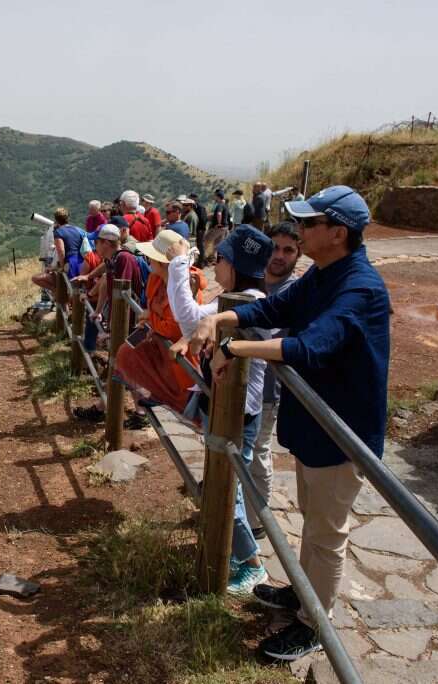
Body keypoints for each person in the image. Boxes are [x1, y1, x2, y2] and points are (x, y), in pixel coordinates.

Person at [172, 185, 389, 662]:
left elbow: (311, 345)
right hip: (319, 427)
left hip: (343, 433)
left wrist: (235, 347)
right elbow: (273, 309)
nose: (301, 230)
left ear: (337, 233)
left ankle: (314, 626)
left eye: (310, 224)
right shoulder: (326, 274)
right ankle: (303, 595)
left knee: (326, 535)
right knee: (312, 522)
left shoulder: (359, 287)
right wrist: (223, 318)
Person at [167, 225, 275, 594]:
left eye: (221, 259)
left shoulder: (247, 303)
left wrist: (179, 263)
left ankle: (251, 564)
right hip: (230, 406)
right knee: (222, 481)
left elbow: (188, 317)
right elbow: (197, 322)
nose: (215, 267)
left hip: (238, 411)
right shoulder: (236, 298)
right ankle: (228, 550)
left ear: (236, 265)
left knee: (230, 489)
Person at [113, 229, 206, 428]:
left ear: (164, 263)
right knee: (127, 353)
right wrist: (154, 314)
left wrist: (151, 315)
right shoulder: (156, 279)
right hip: (161, 343)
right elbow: (161, 317)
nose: (147, 259)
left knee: (178, 387)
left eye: (152, 257)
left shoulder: (189, 285)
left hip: (179, 350)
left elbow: (173, 328)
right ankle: (158, 395)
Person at [245, 222, 301, 539]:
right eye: (274, 248)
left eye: (288, 250)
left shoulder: (293, 293)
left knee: (258, 453)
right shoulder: (256, 283)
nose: (278, 256)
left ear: (298, 253)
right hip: (244, 383)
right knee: (243, 450)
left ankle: (256, 521)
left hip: (267, 389)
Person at [73, 224, 146, 422]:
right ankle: (123, 410)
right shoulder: (114, 259)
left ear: (106, 243)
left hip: (131, 325)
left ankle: (137, 411)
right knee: (122, 367)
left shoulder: (124, 259)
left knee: (124, 367)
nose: (94, 245)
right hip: (126, 324)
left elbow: (125, 297)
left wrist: (115, 331)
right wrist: (98, 311)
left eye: (96, 241)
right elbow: (106, 278)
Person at [31, 207, 85, 289]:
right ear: (67, 218)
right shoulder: (76, 229)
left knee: (73, 291)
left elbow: (61, 251)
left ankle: (56, 293)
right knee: (79, 289)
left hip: (71, 263)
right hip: (81, 261)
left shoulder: (58, 232)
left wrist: (62, 267)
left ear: (56, 219)